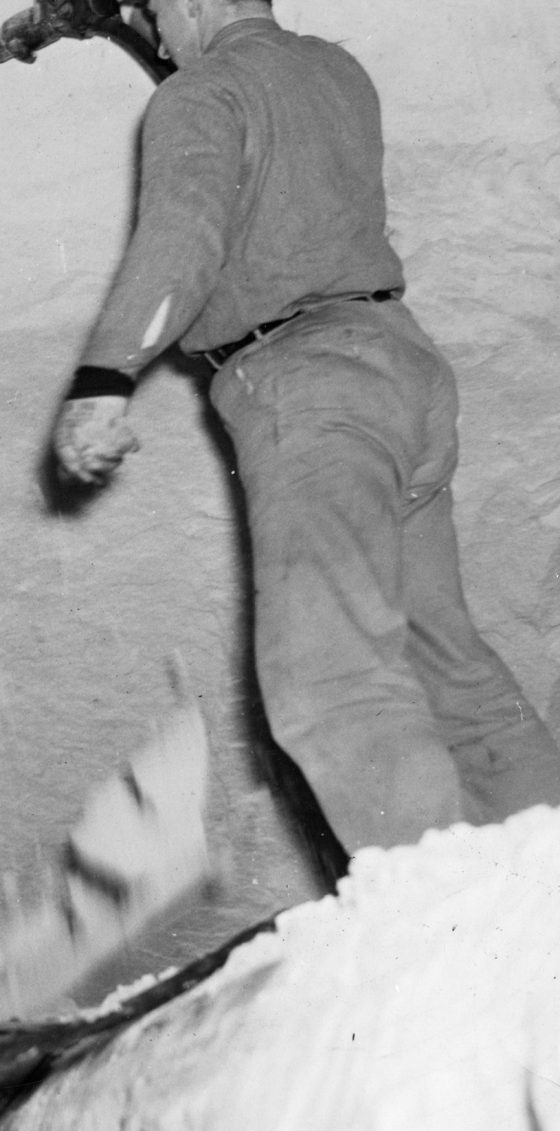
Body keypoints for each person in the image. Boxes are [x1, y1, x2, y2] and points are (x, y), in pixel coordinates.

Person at [49, 0, 560, 853]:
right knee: (446, 662)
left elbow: (184, 234)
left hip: (308, 386)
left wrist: (106, 374)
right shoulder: (335, 70)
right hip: (403, 371)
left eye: (156, 14)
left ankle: (427, 913)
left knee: (330, 679)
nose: (157, 33)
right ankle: (542, 871)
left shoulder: (203, 92)